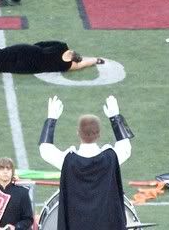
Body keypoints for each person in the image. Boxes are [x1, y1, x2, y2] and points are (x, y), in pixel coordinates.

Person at [39, 95, 133, 230]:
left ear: (78, 133)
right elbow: (126, 148)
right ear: (99, 134)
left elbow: (45, 150)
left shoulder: (68, 161)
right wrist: (115, 117)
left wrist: (51, 118)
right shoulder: (111, 158)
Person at [0, 41, 105, 73]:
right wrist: (96, 60)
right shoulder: (68, 66)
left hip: (26, 50)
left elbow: (42, 43)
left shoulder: (62, 46)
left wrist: (33, 48)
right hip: (27, 67)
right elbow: (85, 63)